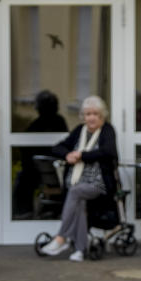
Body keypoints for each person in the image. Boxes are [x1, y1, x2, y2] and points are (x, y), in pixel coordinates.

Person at [40, 95, 118, 262]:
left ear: (101, 116)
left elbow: (108, 152)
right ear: (83, 116)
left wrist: (82, 155)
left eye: (95, 114)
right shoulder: (79, 131)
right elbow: (57, 148)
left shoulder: (107, 131)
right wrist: (68, 155)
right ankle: (80, 250)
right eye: (88, 114)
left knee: (76, 192)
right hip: (77, 184)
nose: (91, 117)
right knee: (79, 200)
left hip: (99, 184)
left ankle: (61, 238)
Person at [13, 90, 70, 218]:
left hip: (46, 172)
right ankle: (26, 212)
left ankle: (23, 212)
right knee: (24, 178)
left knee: (22, 179)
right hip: (47, 171)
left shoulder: (41, 124)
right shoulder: (57, 122)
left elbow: (25, 148)